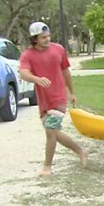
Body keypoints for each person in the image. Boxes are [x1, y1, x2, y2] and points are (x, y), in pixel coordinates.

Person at [19, 22, 87, 176]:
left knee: (50, 131)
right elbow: (23, 73)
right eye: (43, 37)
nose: (47, 39)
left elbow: (66, 72)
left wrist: (72, 92)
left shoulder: (59, 49)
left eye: (48, 36)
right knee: (53, 132)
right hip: (44, 101)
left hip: (58, 98)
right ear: (34, 38)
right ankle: (81, 151)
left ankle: (47, 167)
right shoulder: (27, 55)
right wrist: (36, 79)